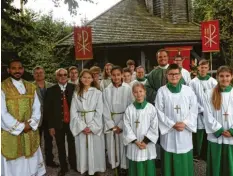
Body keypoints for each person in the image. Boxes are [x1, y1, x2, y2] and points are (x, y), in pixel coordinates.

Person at [1, 59, 46, 176]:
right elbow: (2, 112)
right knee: (15, 163)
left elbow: (37, 107)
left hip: (29, 131)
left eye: (19, 68)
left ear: (23, 69)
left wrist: (30, 124)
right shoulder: (2, 88)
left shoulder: (31, 87)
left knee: (30, 159)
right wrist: (20, 126)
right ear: (8, 70)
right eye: (14, 68)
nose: (17, 71)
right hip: (11, 132)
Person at [155, 64, 198, 176]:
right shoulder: (162, 91)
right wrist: (172, 124)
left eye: (176, 74)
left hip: (185, 130)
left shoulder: (188, 90)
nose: (174, 76)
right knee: (169, 154)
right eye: (171, 74)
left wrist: (185, 123)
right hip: (169, 132)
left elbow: (194, 109)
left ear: (180, 75)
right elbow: (159, 111)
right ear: (166, 75)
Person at [70, 69, 106, 175]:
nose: (86, 79)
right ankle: (84, 168)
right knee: (82, 148)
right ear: (80, 79)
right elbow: (74, 111)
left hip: (94, 123)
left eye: (89, 77)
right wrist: (82, 127)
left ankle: (95, 169)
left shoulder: (97, 92)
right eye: (84, 77)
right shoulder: (76, 93)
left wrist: (91, 127)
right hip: (80, 122)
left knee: (95, 148)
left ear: (92, 79)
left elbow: (99, 111)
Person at [44, 68, 76, 176]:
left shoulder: (74, 88)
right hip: (58, 124)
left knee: (72, 145)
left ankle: (74, 164)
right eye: (60, 75)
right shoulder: (51, 90)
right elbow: (48, 110)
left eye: (65, 74)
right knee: (60, 146)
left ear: (68, 76)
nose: (63, 76)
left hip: (72, 123)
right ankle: (63, 167)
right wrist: (50, 126)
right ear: (56, 77)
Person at [123, 83, 159, 176]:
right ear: (132, 93)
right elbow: (127, 127)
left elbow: (154, 126)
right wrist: (135, 141)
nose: (138, 94)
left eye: (140, 91)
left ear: (145, 92)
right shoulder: (129, 109)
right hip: (135, 144)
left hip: (147, 144)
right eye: (135, 92)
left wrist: (145, 141)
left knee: (148, 165)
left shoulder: (151, 108)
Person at [103, 66, 133, 175]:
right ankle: (115, 165)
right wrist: (111, 125)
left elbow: (130, 107)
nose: (116, 77)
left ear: (121, 75)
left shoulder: (128, 89)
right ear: (111, 75)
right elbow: (105, 108)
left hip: (124, 120)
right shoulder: (106, 90)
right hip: (111, 120)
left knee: (124, 144)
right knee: (112, 145)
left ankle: (124, 167)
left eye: (118, 75)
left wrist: (120, 125)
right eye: (114, 75)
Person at [203, 66, 233, 176]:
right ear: (217, 77)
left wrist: (231, 131)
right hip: (216, 136)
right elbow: (207, 114)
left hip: (231, 137)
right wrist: (219, 129)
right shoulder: (209, 93)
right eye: (221, 76)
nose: (224, 79)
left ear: (231, 77)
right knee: (216, 165)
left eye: (227, 76)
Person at [189, 59, 217, 160]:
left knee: (208, 132)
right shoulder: (192, 82)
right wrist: (201, 110)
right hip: (198, 112)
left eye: (205, 67)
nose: (203, 69)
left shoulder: (213, 82)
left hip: (211, 112)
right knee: (198, 133)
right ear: (198, 68)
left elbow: (216, 97)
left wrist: (209, 111)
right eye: (201, 67)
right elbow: (191, 98)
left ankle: (206, 153)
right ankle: (196, 153)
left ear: (208, 68)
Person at [33, 66, 59, 168]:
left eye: (41, 72)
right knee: (36, 142)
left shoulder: (52, 86)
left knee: (49, 141)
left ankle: (49, 161)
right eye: (36, 73)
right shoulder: (29, 87)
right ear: (34, 75)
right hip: (36, 118)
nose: (39, 74)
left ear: (44, 73)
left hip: (49, 118)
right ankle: (36, 163)